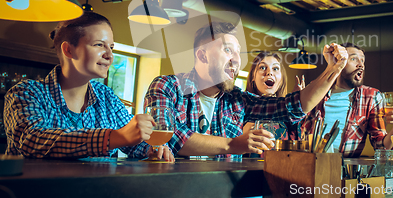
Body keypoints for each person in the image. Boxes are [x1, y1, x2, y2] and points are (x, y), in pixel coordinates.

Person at [144, 22, 348, 157]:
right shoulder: (167, 87)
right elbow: (167, 135)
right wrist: (233, 144)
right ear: (203, 56)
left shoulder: (237, 100)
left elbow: (294, 106)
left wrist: (334, 68)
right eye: (227, 50)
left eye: (238, 53)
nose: (236, 60)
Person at [3, 12, 174, 161]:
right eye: (99, 45)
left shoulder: (106, 97)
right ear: (68, 50)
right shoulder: (26, 92)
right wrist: (112, 138)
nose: (110, 55)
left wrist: (153, 149)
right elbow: (33, 140)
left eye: (111, 47)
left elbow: (134, 143)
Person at [301, 42, 393, 157]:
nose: (361, 65)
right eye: (354, 59)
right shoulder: (317, 90)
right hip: (309, 164)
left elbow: (380, 147)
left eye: (363, 60)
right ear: (338, 62)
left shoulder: (371, 97)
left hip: (345, 170)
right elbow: (297, 131)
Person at [243, 51, 304, 140]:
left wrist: (297, 103)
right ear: (253, 76)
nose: (269, 72)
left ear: (282, 79)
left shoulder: (286, 112)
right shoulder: (240, 108)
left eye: (275, 68)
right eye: (263, 67)